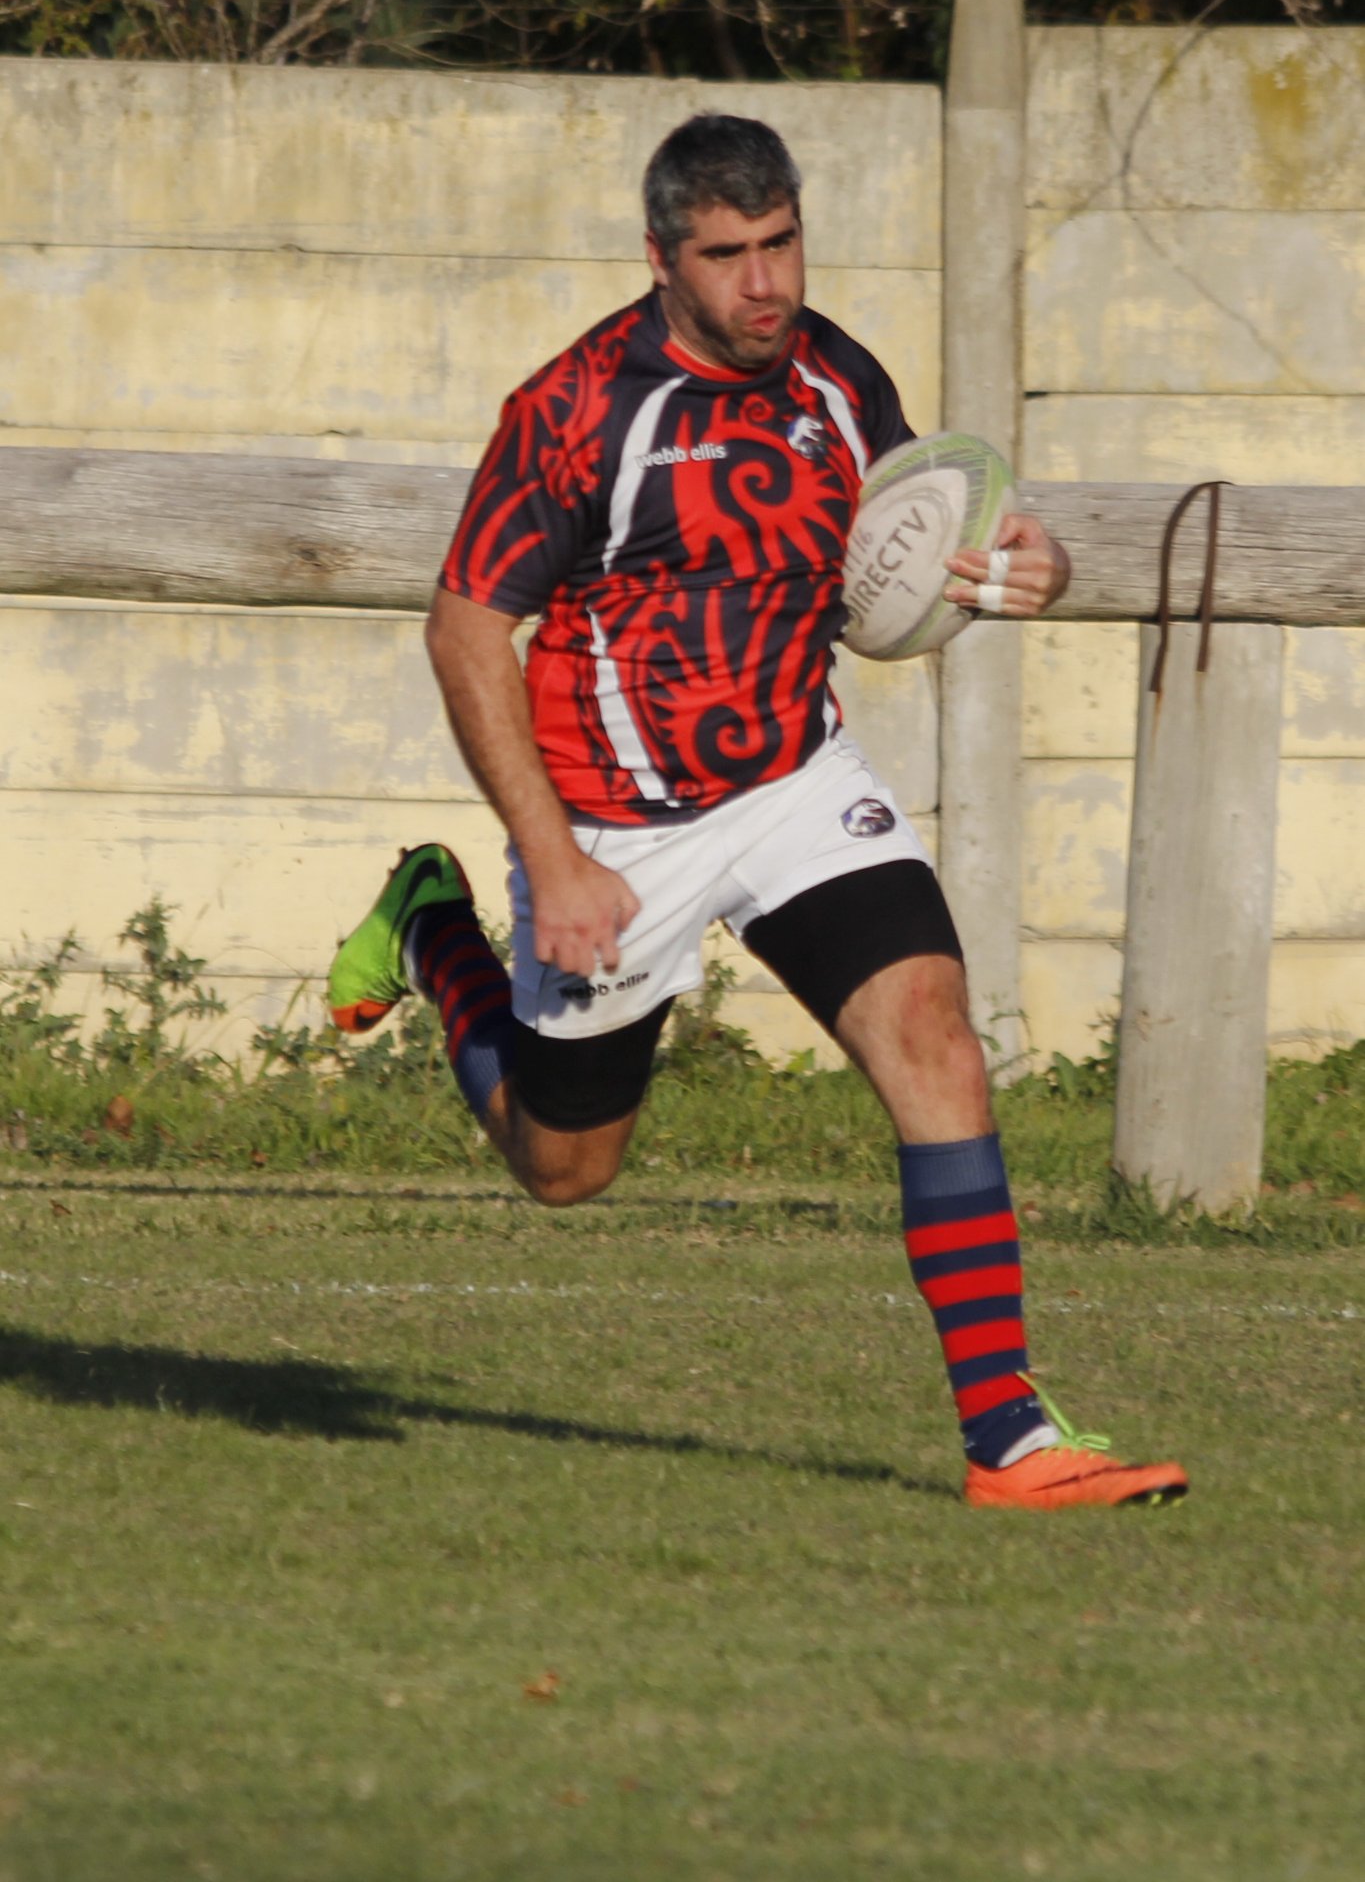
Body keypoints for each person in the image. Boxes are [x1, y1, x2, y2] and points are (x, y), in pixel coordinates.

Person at [329, 114, 1187, 1512]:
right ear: (661, 258)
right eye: (727, 256)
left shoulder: (836, 374)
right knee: (563, 1169)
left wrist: (1033, 556)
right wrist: (552, 862)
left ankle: (1010, 1444)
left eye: (779, 242)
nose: (764, 284)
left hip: (795, 780)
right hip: (618, 829)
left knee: (936, 1044)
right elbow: (466, 628)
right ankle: (436, 931)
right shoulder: (576, 410)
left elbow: (921, 538)